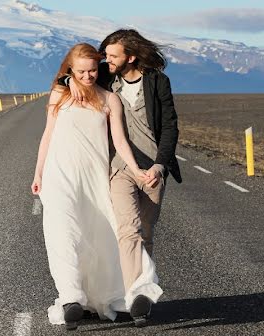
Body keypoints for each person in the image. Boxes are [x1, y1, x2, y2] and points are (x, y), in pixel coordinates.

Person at [59, 29, 181, 326]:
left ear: (131, 57)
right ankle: (134, 297)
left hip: (153, 169)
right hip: (119, 167)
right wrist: (68, 81)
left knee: (146, 233)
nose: (105, 60)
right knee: (128, 229)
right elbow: (76, 71)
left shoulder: (157, 82)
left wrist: (160, 166)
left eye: (112, 55)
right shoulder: (104, 75)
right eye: (105, 55)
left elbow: (170, 128)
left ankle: (141, 297)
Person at [31, 42, 149, 331]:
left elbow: (120, 142)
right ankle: (70, 298)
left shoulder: (110, 100)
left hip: (94, 176)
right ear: (70, 69)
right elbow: (48, 135)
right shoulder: (60, 94)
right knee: (63, 232)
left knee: (97, 234)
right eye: (82, 71)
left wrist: (136, 170)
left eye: (93, 70)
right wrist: (38, 173)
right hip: (60, 176)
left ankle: (103, 297)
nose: (88, 76)